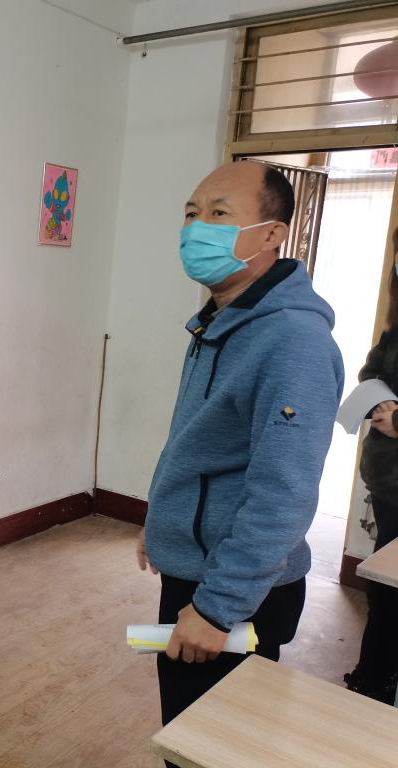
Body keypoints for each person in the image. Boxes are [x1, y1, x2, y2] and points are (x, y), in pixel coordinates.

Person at [135, 162, 344, 741]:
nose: (196, 227)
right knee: (189, 734)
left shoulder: (293, 341)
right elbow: (198, 442)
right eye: (191, 213)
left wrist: (216, 608)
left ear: (272, 233)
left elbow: (284, 493)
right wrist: (162, 520)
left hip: (235, 591)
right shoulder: (221, 321)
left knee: (211, 744)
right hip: (200, 568)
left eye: (219, 213)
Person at [344, 227, 398, 703]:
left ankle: (380, 679)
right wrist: (379, 404)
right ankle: (372, 677)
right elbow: (370, 373)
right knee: (384, 587)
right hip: (388, 482)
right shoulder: (394, 327)